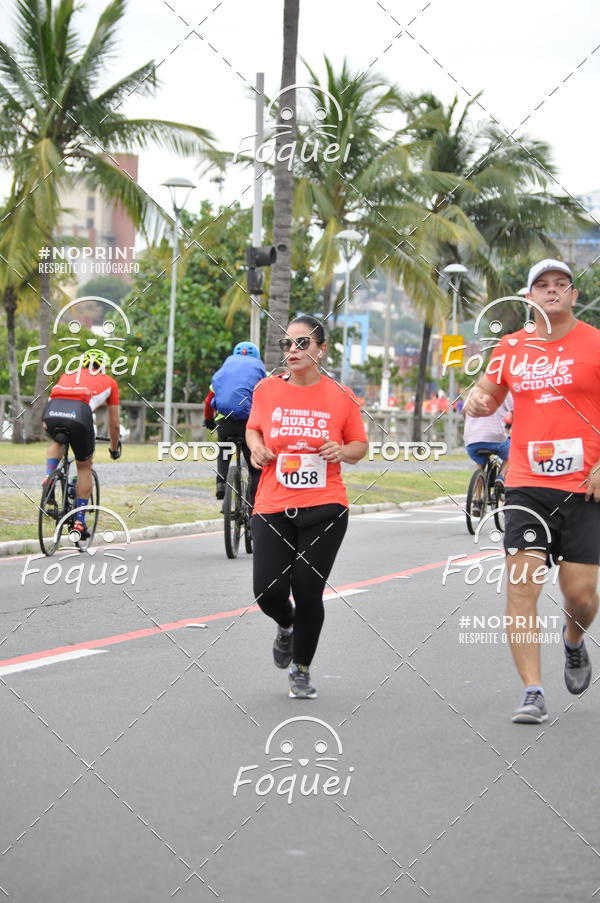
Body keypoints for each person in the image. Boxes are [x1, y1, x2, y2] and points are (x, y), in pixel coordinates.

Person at [464, 258, 600, 724]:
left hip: (585, 487)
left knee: (582, 596)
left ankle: (574, 640)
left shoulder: (595, 344)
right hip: (526, 484)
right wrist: (478, 399)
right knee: (522, 586)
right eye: (542, 285)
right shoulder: (510, 348)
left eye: (561, 284)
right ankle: (533, 691)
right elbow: (485, 394)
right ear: (529, 297)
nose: (552, 291)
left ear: (573, 296)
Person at [246, 315, 368, 699]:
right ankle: (286, 625)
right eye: (287, 344)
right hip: (272, 502)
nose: (293, 351)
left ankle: (301, 668)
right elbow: (254, 428)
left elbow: (360, 447)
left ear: (321, 350)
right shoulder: (267, 390)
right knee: (268, 590)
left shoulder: (341, 396)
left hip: (325, 506)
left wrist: (341, 450)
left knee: (307, 586)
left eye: (302, 343)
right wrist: (255, 448)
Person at [42, 348, 122, 538]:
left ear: (84, 364)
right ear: (104, 367)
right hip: (79, 414)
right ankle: (79, 522)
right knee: (84, 466)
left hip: (52, 412)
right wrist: (113, 448)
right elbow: (115, 424)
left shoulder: (68, 374)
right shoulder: (110, 382)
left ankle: (49, 476)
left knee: (58, 441)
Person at [203, 341, 265, 504]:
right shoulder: (260, 370)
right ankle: (254, 505)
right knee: (255, 468)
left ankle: (221, 483)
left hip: (225, 423)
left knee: (223, 449)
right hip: (247, 425)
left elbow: (208, 401)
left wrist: (209, 420)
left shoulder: (225, 370)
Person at [463, 391, 513, 513]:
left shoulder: (474, 391)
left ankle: (477, 501)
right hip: (495, 437)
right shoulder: (505, 392)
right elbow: (515, 413)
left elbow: (464, 412)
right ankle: (501, 477)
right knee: (512, 453)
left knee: (480, 464)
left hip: (471, 439)